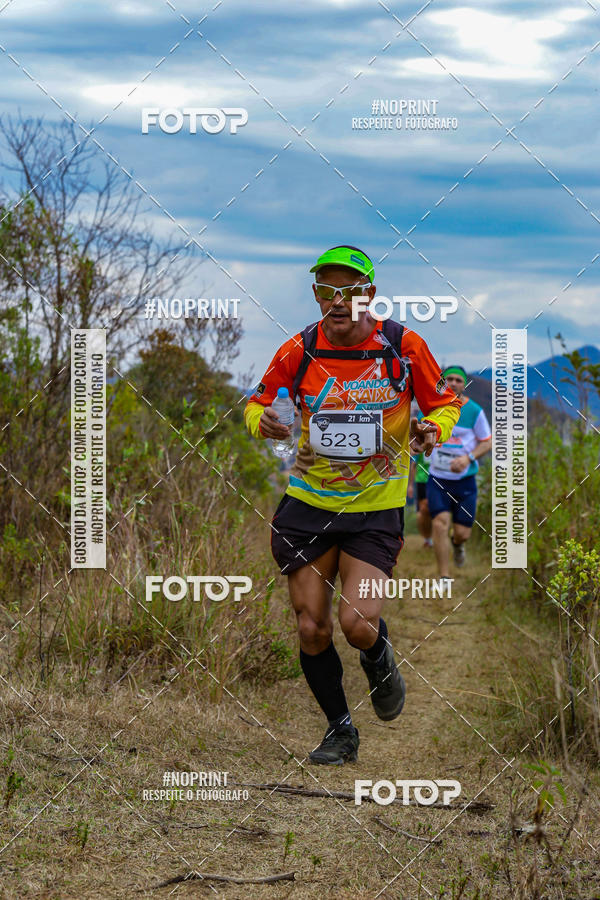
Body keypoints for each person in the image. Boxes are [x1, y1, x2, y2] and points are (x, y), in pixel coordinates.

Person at [244, 245, 461, 765]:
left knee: (357, 623)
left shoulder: (404, 346)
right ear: (317, 294)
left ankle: (380, 658)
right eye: (327, 290)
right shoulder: (298, 349)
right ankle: (341, 731)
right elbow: (257, 402)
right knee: (311, 628)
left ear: (370, 294)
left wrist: (434, 428)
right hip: (309, 503)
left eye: (349, 290)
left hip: (375, 505)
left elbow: (445, 402)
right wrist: (262, 421)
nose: (338, 301)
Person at [426, 366, 492, 585]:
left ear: (464, 385)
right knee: (440, 523)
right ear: (442, 383)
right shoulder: (430, 406)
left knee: (462, 533)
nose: (453, 383)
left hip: (464, 482)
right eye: (449, 379)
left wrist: (468, 458)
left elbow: (487, 442)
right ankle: (444, 576)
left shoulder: (474, 411)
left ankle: (458, 544)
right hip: (438, 478)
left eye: (458, 380)